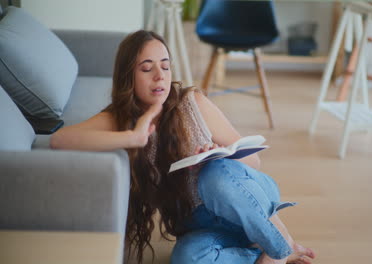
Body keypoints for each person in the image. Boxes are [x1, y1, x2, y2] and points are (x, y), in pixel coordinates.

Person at [50, 30, 315, 264]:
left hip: (245, 199)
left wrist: (215, 159)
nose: (159, 76)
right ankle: (270, 250)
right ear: (128, 76)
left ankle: (277, 249)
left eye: (165, 67)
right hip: (202, 225)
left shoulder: (192, 103)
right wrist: (132, 137)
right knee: (187, 258)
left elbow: (255, 163)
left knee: (215, 175)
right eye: (147, 68)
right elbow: (61, 140)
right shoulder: (119, 120)